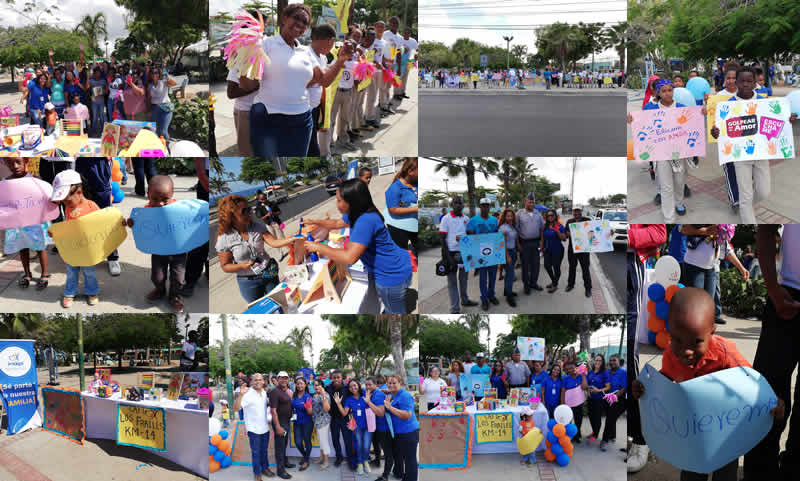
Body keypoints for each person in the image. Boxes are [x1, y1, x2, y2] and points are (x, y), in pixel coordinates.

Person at [633, 288, 785, 481]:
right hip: (692, 434)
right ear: (669, 328)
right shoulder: (671, 355)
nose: (686, 351)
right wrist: (646, 388)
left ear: (711, 332)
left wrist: (772, 401)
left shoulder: (725, 354)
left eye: (696, 342)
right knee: (691, 472)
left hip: (726, 433)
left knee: (726, 472)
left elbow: (752, 382)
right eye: (677, 340)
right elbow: (665, 382)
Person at [239, 4, 352, 157]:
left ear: (306, 29)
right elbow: (247, 85)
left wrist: (341, 61)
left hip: (302, 120)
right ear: (285, 19)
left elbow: (324, 81)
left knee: (296, 164)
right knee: (270, 165)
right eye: (296, 18)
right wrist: (248, 56)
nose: (300, 24)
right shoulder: (265, 44)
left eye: (304, 22)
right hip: (268, 117)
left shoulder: (305, 51)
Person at [303, 179, 412, 314]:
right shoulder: (358, 213)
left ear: (351, 202)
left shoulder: (364, 221)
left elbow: (350, 257)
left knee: (394, 313)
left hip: (391, 276)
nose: (336, 204)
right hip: (394, 266)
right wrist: (314, 221)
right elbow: (337, 223)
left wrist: (318, 248)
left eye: (338, 200)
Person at [743, 225, 799, 480]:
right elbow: (765, 230)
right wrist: (773, 288)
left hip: (784, 293)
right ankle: (759, 473)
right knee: (766, 396)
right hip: (786, 293)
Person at [711, 66, 797, 223]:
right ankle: (748, 216)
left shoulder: (763, 102)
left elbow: (777, 123)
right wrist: (716, 133)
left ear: (755, 82)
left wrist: (787, 120)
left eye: (749, 81)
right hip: (740, 157)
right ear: (736, 82)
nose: (745, 84)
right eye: (742, 81)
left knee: (764, 191)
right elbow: (720, 129)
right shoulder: (728, 106)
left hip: (761, 153)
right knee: (745, 195)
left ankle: (745, 206)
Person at [627, 224, 666, 472]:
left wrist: (626, 237)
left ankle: (641, 438)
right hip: (610, 260)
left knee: (629, 361)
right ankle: (630, 434)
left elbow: (659, 233)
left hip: (630, 263)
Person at [124, 175, 187, 311]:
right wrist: (131, 223)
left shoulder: (179, 209)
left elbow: (189, 222)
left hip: (178, 251)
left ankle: (174, 296)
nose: (160, 203)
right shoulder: (147, 211)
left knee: (179, 278)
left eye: (165, 199)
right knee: (157, 277)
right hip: (158, 250)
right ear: (148, 195)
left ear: (172, 195)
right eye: (155, 199)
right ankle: (160, 290)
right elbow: (138, 223)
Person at [215, 195, 295, 303]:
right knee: (259, 312)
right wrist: (241, 266)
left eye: (249, 209)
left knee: (279, 303)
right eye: (245, 211)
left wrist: (291, 239)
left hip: (268, 273)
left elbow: (273, 242)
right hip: (248, 282)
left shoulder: (256, 227)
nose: (250, 213)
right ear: (231, 215)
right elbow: (225, 266)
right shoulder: (224, 238)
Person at [47, 169, 103, 307]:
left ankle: (92, 291)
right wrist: (56, 233)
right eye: (63, 202)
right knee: (71, 272)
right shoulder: (69, 207)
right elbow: (68, 225)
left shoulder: (91, 206)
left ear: (79, 192)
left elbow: (103, 223)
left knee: (89, 271)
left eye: (66, 201)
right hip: (72, 247)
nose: (65, 204)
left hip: (87, 248)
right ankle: (70, 292)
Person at [681, 225, 749, 324]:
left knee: (708, 307)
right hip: (693, 267)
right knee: (695, 306)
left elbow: (727, 249)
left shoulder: (722, 227)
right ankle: (692, 335)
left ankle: (705, 335)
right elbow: (683, 229)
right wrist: (706, 231)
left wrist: (742, 268)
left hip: (711, 269)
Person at [2, 159, 51, 291]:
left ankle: (44, 273)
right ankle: (27, 273)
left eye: (18, 162)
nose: (15, 166)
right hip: (17, 222)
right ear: (5, 164)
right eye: (10, 163)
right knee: (22, 247)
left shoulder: (34, 180)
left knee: (40, 247)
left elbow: (44, 197)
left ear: (26, 161)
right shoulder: (5, 183)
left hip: (34, 221)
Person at [439, 196, 476, 313]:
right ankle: (455, 308)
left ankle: (465, 300)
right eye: (456, 203)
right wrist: (447, 258)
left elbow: (470, 237)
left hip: (464, 253)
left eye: (460, 203)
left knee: (464, 279)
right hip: (450, 254)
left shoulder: (466, 219)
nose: (458, 205)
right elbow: (442, 239)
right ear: (452, 205)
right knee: (452, 283)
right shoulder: (446, 219)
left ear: (463, 205)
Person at [233, 373, 274, 480]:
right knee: (256, 453)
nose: (258, 382)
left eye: (260, 379)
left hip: (264, 427)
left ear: (263, 381)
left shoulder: (264, 393)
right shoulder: (247, 394)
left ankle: (265, 468)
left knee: (264, 451)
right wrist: (241, 395)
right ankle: (257, 473)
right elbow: (236, 408)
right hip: (253, 429)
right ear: (251, 382)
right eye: (255, 380)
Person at [383, 374, 419, 481]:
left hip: (409, 432)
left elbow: (407, 415)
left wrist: (389, 407)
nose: (392, 385)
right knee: (402, 457)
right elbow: (384, 390)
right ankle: (401, 475)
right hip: (400, 432)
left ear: (400, 384)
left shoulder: (405, 395)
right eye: (390, 383)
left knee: (410, 459)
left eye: (394, 383)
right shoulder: (393, 394)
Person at [467, 198, 500, 310]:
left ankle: (491, 295)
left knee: (493, 276)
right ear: (480, 206)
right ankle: (484, 299)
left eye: (487, 205)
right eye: (483, 205)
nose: (485, 207)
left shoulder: (494, 220)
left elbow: (497, 235)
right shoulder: (473, 220)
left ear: (490, 207)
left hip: (493, 252)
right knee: (483, 278)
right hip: (480, 254)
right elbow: (470, 237)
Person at [334, 380, 371, 474]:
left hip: (368, 425)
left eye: (354, 385)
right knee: (358, 445)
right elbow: (344, 413)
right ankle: (359, 463)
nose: (353, 388)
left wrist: (369, 401)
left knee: (366, 446)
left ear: (358, 385)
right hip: (357, 427)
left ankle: (365, 462)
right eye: (350, 387)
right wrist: (338, 403)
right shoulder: (349, 399)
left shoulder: (365, 395)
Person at [384, 158, 418, 255]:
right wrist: (415, 209)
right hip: (398, 227)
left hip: (413, 224)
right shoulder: (394, 189)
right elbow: (392, 209)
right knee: (400, 251)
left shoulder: (416, 183)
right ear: (411, 172)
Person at [226, 59, 258, 156]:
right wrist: (255, 87)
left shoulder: (266, 62)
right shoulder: (239, 63)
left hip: (264, 110)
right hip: (245, 112)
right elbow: (231, 93)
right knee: (246, 150)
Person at [325, 371, 355, 470]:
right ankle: (339, 457)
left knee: (348, 440)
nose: (336, 379)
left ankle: (351, 459)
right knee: (335, 439)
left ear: (342, 378)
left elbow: (357, 393)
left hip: (345, 417)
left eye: (338, 377)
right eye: (334, 377)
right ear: (331, 378)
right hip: (333, 418)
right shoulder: (328, 388)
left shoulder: (347, 387)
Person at [364, 377, 393, 480]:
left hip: (383, 426)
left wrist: (368, 402)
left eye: (370, 384)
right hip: (374, 425)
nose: (367, 387)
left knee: (387, 451)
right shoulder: (368, 392)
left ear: (376, 385)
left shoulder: (379, 394)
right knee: (376, 444)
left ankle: (385, 475)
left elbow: (380, 413)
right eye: (366, 384)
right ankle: (377, 461)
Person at [516, 193, 545, 294]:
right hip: (524, 243)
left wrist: (541, 243)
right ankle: (526, 286)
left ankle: (534, 283)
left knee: (536, 265)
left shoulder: (538, 214)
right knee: (525, 265)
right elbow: (515, 229)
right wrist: (518, 244)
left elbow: (542, 229)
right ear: (525, 202)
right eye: (529, 202)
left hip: (536, 243)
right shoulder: (519, 214)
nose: (531, 204)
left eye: (533, 202)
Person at [269, 372, 294, 479]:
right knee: (280, 447)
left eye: (286, 378)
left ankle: (285, 463)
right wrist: (278, 426)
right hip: (280, 424)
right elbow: (273, 411)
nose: (284, 380)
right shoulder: (274, 391)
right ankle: (280, 470)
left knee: (284, 445)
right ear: (278, 379)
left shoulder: (284, 391)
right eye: (281, 378)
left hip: (286, 422)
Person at [565, 207, 593, 297]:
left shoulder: (587, 220)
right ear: (573, 212)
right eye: (575, 211)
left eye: (578, 211)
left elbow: (595, 230)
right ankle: (570, 285)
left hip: (584, 250)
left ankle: (588, 288)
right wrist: (567, 233)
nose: (577, 213)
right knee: (572, 268)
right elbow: (566, 233)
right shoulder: (569, 221)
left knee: (585, 269)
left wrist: (608, 232)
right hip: (572, 249)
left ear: (581, 211)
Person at [586, 354, 611, 449]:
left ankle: (596, 434)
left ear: (602, 362)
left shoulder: (604, 372)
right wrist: (588, 390)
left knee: (596, 417)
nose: (597, 362)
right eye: (596, 360)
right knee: (591, 416)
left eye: (599, 360)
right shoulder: (591, 372)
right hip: (590, 398)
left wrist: (598, 391)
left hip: (599, 399)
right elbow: (588, 383)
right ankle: (594, 431)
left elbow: (608, 387)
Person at [498, 208, 521, 306]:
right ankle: (509, 296)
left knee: (509, 273)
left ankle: (506, 291)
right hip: (506, 252)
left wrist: (518, 246)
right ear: (504, 217)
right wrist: (507, 256)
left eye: (511, 216)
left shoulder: (512, 226)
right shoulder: (503, 228)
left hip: (513, 251)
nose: (510, 217)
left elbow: (515, 238)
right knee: (510, 274)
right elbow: (502, 244)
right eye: (508, 216)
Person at [602, 354, 626, 450]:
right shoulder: (607, 372)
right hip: (608, 398)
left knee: (610, 419)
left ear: (619, 361)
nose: (612, 362)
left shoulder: (623, 372)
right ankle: (612, 436)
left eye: (614, 360)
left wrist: (615, 396)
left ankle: (604, 440)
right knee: (611, 418)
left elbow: (624, 387)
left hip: (618, 399)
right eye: (610, 360)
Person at [254, 192, 287, 260]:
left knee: (282, 237)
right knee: (274, 240)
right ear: (260, 200)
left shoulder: (272, 203)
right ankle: (280, 254)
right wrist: (267, 215)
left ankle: (289, 249)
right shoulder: (259, 207)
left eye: (265, 198)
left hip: (276, 223)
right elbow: (260, 217)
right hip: (269, 225)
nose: (264, 200)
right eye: (262, 199)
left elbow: (279, 212)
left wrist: (273, 213)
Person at [561, 361, 588, 443]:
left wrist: (583, 375)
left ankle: (577, 435)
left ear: (576, 368)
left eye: (572, 368)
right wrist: (563, 403)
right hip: (568, 403)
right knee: (568, 420)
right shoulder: (565, 378)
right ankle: (569, 435)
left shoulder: (580, 376)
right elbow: (563, 391)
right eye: (568, 369)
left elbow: (584, 387)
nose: (570, 370)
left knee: (578, 420)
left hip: (579, 403)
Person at [290, 377, 314, 471]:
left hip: (307, 422)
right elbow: (292, 407)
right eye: (298, 384)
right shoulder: (294, 395)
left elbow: (311, 412)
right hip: (297, 422)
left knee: (307, 441)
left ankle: (306, 460)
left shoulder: (307, 397)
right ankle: (305, 456)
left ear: (305, 385)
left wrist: (308, 408)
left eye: (301, 383)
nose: (299, 385)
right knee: (298, 442)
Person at [541, 209, 566, 293]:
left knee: (556, 268)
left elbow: (564, 238)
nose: (550, 217)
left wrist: (557, 230)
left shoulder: (559, 226)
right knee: (547, 266)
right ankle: (554, 281)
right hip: (548, 250)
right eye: (548, 216)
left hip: (557, 250)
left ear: (555, 216)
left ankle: (554, 285)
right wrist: (542, 247)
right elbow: (543, 237)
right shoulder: (545, 226)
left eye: (552, 215)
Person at [311, 379, 332, 469]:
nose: (316, 387)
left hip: (323, 422)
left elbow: (327, 409)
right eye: (314, 385)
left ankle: (326, 461)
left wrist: (323, 394)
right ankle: (321, 457)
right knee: (320, 440)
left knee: (324, 441)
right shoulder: (315, 395)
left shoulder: (325, 395)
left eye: (318, 385)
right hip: (317, 421)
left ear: (322, 386)